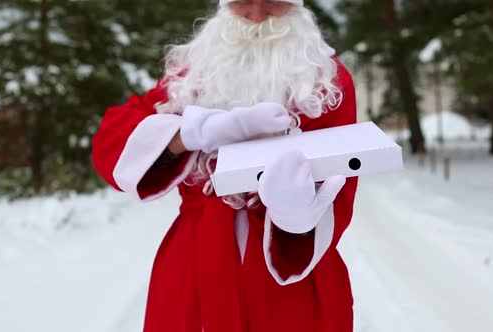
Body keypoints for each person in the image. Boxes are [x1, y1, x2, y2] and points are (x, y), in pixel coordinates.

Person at [92, 0, 358, 331]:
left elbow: (340, 189)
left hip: (290, 278)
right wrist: (190, 132)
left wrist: (298, 214)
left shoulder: (328, 82)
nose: (257, 15)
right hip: (197, 262)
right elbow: (111, 140)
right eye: (244, 1)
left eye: (273, 2)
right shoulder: (192, 75)